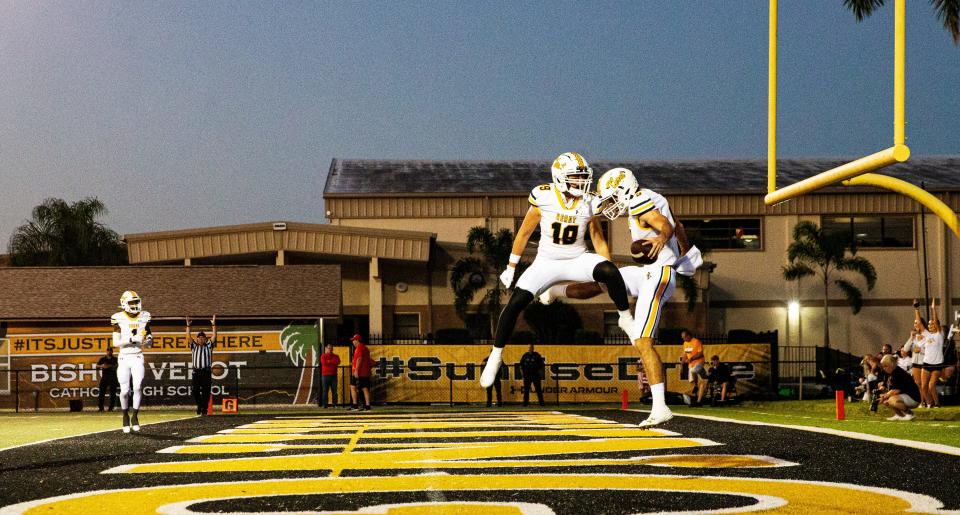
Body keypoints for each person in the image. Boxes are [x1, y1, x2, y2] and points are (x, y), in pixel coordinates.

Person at [538, 167, 701, 427]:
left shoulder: (639, 202)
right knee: (606, 279)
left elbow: (666, 225)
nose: (610, 204)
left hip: (657, 276)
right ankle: (555, 291)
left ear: (624, 191)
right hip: (648, 272)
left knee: (644, 342)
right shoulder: (651, 196)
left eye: (612, 198)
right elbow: (678, 225)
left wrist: (662, 236)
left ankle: (660, 407)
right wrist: (688, 254)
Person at [480, 153, 637, 390]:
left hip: (577, 258)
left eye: (583, 178)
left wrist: (606, 269)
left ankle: (625, 319)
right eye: (576, 178)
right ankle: (496, 355)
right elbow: (523, 233)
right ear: (560, 177)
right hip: (546, 261)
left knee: (610, 270)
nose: (581, 183)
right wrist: (511, 266)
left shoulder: (589, 201)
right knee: (515, 304)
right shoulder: (544, 196)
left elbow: (597, 236)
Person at [110, 290, 153, 433]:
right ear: (124, 303)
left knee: (138, 386)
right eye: (132, 302)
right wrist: (131, 339)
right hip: (124, 357)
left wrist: (148, 341)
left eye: (136, 302)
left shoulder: (145, 316)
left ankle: (135, 416)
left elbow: (148, 337)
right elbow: (115, 342)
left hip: (137, 356)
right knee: (124, 391)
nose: (135, 305)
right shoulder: (118, 318)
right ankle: (124, 416)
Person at [186, 315, 217, 416]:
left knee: (206, 392)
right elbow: (188, 337)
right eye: (199, 338)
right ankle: (200, 405)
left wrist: (213, 325)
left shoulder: (208, 346)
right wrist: (188, 326)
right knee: (195, 390)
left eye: (203, 338)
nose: (201, 340)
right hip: (196, 371)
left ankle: (204, 408)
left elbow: (214, 336)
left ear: (205, 339)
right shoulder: (194, 346)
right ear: (197, 339)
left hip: (206, 371)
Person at [879, 354, 921, 421]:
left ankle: (910, 414)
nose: (884, 368)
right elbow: (885, 385)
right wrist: (881, 391)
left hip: (913, 397)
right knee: (887, 401)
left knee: (891, 399)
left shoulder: (898, 373)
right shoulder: (889, 373)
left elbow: (896, 390)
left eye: (886, 366)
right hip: (904, 396)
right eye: (883, 366)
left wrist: (886, 395)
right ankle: (899, 415)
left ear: (892, 364)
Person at [919, 298, 945, 408]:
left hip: (937, 364)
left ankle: (937, 404)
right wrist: (916, 309)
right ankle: (930, 404)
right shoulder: (927, 335)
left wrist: (933, 309)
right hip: (926, 363)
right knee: (924, 386)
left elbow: (935, 320)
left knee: (931, 385)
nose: (930, 326)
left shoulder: (939, 334)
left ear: (937, 325)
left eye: (932, 324)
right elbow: (920, 325)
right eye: (929, 324)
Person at [681, 330, 707, 407]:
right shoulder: (685, 343)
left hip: (698, 363)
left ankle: (699, 400)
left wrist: (692, 358)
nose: (683, 339)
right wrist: (682, 364)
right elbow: (685, 354)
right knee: (692, 381)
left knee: (695, 372)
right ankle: (697, 399)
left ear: (688, 335)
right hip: (691, 365)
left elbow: (700, 353)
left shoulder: (696, 342)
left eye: (684, 337)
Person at [349, 334, 372, 411]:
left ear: (357, 340)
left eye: (354, 340)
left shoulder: (359, 348)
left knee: (353, 387)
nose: (353, 342)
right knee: (365, 388)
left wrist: (356, 370)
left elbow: (359, 359)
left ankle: (355, 405)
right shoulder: (365, 347)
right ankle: (367, 405)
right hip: (365, 372)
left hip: (360, 372)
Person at [97, 346, 119, 412]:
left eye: (110, 350)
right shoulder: (103, 359)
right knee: (101, 393)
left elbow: (118, 365)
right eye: (108, 350)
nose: (109, 352)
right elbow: (97, 365)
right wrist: (102, 366)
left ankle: (111, 408)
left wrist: (110, 366)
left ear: (112, 351)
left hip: (113, 377)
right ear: (106, 351)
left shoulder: (115, 359)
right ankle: (101, 408)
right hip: (105, 378)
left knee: (113, 393)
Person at [320, 343, 341, 408]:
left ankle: (334, 404)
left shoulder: (336, 356)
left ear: (333, 349)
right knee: (325, 391)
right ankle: (325, 405)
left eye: (331, 348)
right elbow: (324, 363)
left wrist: (329, 361)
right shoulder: (323, 356)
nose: (330, 349)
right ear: (326, 348)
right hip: (325, 376)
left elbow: (338, 362)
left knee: (334, 391)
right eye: (329, 348)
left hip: (333, 376)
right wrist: (332, 362)